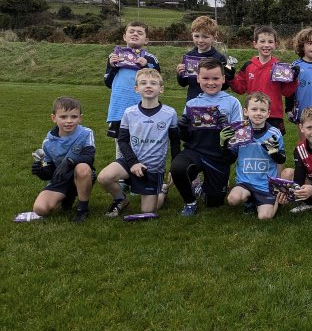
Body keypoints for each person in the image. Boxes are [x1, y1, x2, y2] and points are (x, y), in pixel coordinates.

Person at [97, 69, 180, 217]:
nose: (148, 86)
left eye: (153, 83)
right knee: (104, 177)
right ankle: (120, 199)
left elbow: (175, 142)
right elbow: (122, 140)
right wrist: (133, 162)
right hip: (130, 162)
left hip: (153, 167)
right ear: (136, 89)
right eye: (143, 83)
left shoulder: (170, 113)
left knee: (148, 211)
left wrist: (174, 167)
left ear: (161, 89)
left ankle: (161, 192)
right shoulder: (129, 112)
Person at [171, 58, 243, 216]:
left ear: (223, 79)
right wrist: (183, 128)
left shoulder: (233, 102)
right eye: (205, 78)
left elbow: (240, 135)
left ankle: (204, 188)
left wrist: (226, 127)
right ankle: (190, 202)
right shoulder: (192, 103)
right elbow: (187, 138)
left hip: (219, 156)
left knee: (214, 203)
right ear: (198, 79)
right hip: (195, 151)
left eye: (216, 78)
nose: (211, 82)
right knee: (178, 168)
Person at [28, 96, 96, 222]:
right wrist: (41, 171)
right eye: (63, 117)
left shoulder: (86, 133)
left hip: (80, 175)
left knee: (83, 167)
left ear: (80, 118)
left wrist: (69, 163)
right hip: (61, 178)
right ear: (54, 118)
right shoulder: (48, 142)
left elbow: (89, 157)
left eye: (74, 117)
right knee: (40, 209)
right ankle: (67, 197)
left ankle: (82, 209)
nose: (69, 121)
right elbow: (51, 171)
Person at [226, 92, 286, 221]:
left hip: (265, 184)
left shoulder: (274, 133)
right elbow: (230, 159)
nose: (258, 113)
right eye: (254, 109)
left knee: (264, 217)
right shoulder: (240, 132)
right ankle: (250, 200)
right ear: (246, 111)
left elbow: (282, 159)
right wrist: (225, 145)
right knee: (232, 199)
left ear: (268, 113)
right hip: (245, 182)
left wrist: (274, 152)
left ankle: (275, 200)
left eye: (262, 110)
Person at [104, 21, 160, 152]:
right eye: (131, 31)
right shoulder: (115, 57)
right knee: (121, 146)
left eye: (140, 33)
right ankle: (122, 171)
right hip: (119, 110)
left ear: (146, 40)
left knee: (144, 144)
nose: (135, 34)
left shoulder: (151, 59)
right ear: (124, 36)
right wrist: (112, 67)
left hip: (143, 108)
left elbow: (158, 84)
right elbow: (107, 83)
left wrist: (146, 67)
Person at [230, 25, 297, 134]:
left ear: (275, 44)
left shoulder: (280, 68)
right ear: (255, 44)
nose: (266, 45)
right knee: (253, 144)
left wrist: (293, 79)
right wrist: (230, 78)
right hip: (254, 113)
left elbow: (287, 92)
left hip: (274, 114)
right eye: (262, 41)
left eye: (270, 42)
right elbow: (240, 89)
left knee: (274, 147)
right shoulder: (248, 66)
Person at [176, 15, 235, 101]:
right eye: (196, 36)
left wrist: (229, 75)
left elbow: (224, 86)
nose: (200, 40)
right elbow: (183, 83)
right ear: (192, 35)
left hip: (214, 103)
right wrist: (180, 73)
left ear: (214, 38)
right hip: (193, 102)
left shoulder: (219, 58)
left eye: (205, 37)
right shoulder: (189, 56)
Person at [285, 27, 312, 143]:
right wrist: (288, 109)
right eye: (309, 43)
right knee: (304, 142)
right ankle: (302, 161)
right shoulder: (295, 66)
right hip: (302, 112)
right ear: (302, 46)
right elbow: (289, 89)